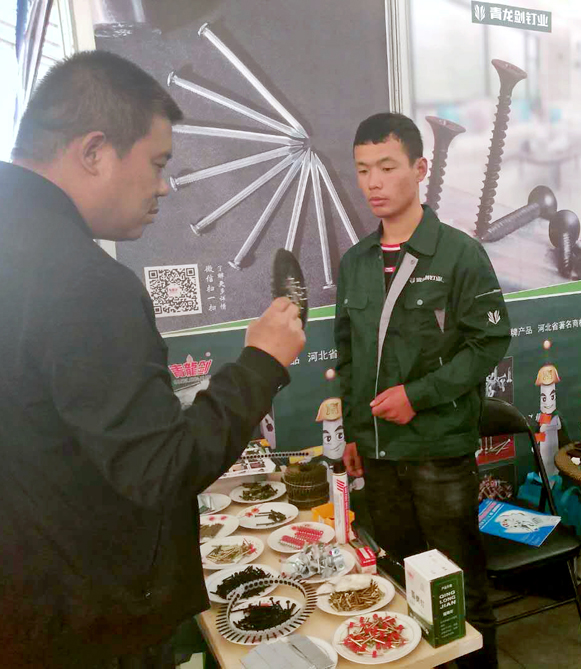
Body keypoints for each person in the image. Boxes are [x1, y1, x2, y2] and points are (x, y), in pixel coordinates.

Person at [0, 51, 306, 668]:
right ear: (94, 151)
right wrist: (261, 363)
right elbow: (161, 467)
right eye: (158, 163)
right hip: (87, 624)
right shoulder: (83, 281)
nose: (164, 186)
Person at [334, 113, 511, 668]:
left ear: (420, 168)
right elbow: (348, 356)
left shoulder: (459, 254)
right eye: (363, 169)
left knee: (459, 590)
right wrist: (355, 432)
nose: (374, 182)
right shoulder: (355, 263)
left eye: (387, 167)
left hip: (438, 452)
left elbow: (488, 342)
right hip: (379, 456)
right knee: (401, 584)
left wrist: (419, 395)